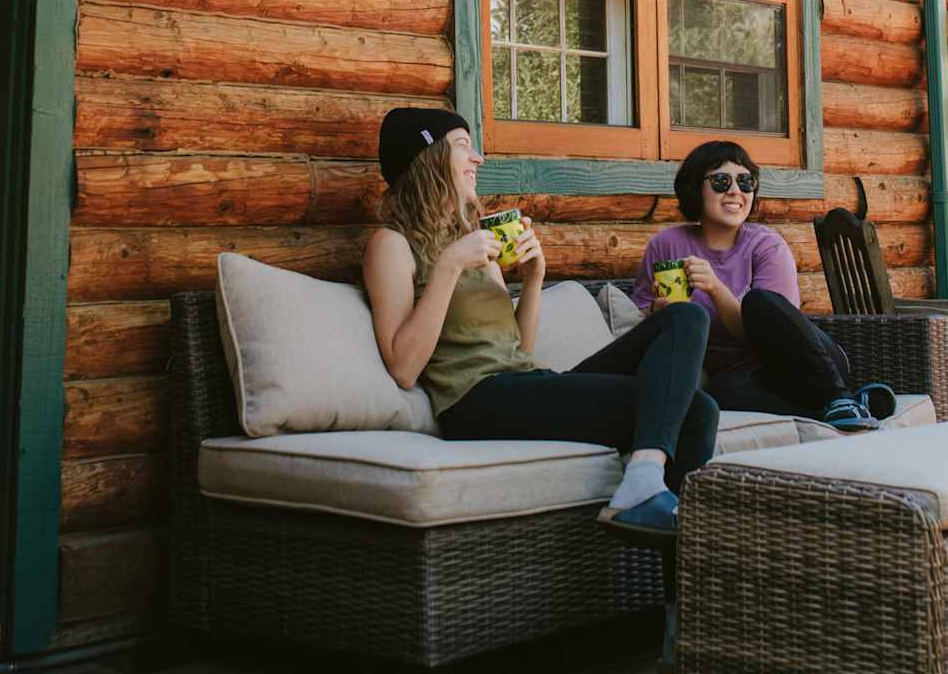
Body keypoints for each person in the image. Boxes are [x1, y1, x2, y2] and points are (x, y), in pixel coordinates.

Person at [364, 106, 719, 535]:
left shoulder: (471, 241)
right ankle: (642, 490)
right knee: (695, 411)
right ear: (428, 160)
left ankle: (648, 497)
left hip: (525, 381)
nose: (477, 158)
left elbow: (520, 349)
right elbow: (403, 368)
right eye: (462, 147)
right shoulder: (392, 245)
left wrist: (533, 280)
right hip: (475, 402)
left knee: (685, 323)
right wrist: (448, 267)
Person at [633, 140, 885, 432]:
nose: (735, 191)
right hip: (739, 375)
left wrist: (715, 287)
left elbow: (774, 330)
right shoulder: (667, 245)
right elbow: (640, 319)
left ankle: (838, 398)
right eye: (720, 181)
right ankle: (847, 408)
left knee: (759, 302)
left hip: (804, 364)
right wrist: (657, 311)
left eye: (745, 181)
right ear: (695, 188)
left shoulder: (767, 245)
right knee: (717, 397)